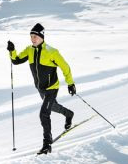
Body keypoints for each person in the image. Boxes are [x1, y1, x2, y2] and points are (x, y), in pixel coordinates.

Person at [7, 23, 76, 154]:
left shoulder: (52, 52)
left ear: (42, 37)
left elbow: (65, 66)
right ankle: (69, 114)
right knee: (53, 107)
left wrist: (70, 83)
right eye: (31, 36)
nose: (33, 39)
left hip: (52, 88)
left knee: (44, 113)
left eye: (35, 36)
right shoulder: (29, 50)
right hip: (41, 89)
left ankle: (47, 143)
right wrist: (12, 50)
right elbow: (15, 60)